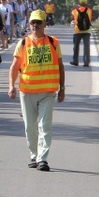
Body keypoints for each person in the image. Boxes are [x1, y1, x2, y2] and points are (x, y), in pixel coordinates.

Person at [8, 9, 66, 171]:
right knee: (30, 126)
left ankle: (42, 159)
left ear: (45, 24)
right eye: (33, 22)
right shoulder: (23, 43)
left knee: (45, 126)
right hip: (27, 91)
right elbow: (14, 67)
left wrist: (62, 88)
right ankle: (34, 155)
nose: (35, 25)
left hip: (48, 91)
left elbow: (60, 67)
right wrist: (11, 86)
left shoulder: (53, 43)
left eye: (38, 22)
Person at [70, 0, 93, 67]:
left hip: (77, 31)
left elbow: (73, 20)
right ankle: (86, 62)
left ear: (79, 4)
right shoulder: (89, 10)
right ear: (86, 4)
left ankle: (75, 61)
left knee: (76, 46)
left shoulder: (74, 11)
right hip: (87, 30)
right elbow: (90, 19)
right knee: (86, 47)